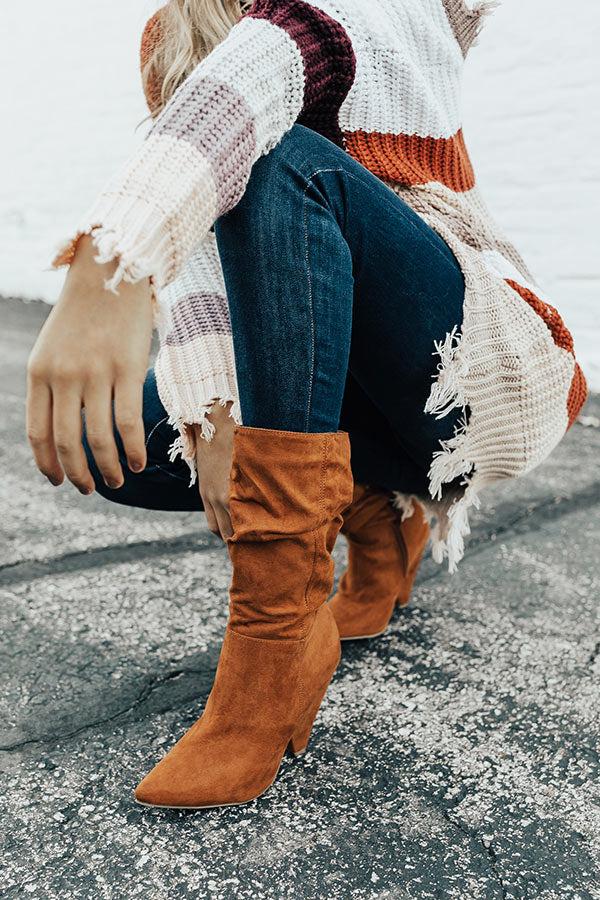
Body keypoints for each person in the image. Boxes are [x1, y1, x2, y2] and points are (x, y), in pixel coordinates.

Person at [26, 0, 587, 810]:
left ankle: (275, 641)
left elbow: (274, 64)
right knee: (126, 445)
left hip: (475, 364)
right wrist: (214, 415)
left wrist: (112, 259)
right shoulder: (172, 35)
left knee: (278, 157)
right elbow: (201, 247)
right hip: (331, 367)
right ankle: (377, 513)